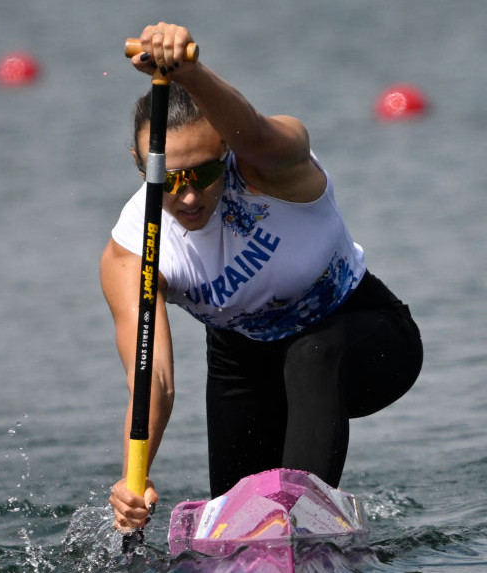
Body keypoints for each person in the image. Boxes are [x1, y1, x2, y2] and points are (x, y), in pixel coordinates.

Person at [102, 22, 423, 532]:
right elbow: (153, 378)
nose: (188, 197)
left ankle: (305, 523)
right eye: (170, 180)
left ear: (226, 154)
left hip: (364, 337)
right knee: (237, 522)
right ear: (145, 172)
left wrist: (190, 72)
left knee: (311, 354)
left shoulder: (273, 167)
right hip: (243, 367)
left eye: (204, 173)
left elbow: (251, 128)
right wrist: (132, 480)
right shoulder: (134, 251)